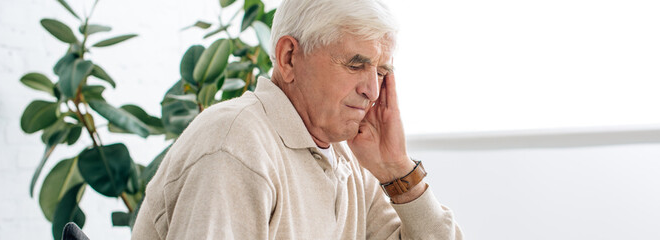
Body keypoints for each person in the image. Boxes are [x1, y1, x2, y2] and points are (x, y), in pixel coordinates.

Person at [132, 0, 463, 239]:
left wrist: (397, 171)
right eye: (355, 64)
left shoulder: (345, 158)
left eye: (382, 72)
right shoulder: (236, 144)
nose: (372, 91)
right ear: (288, 57)